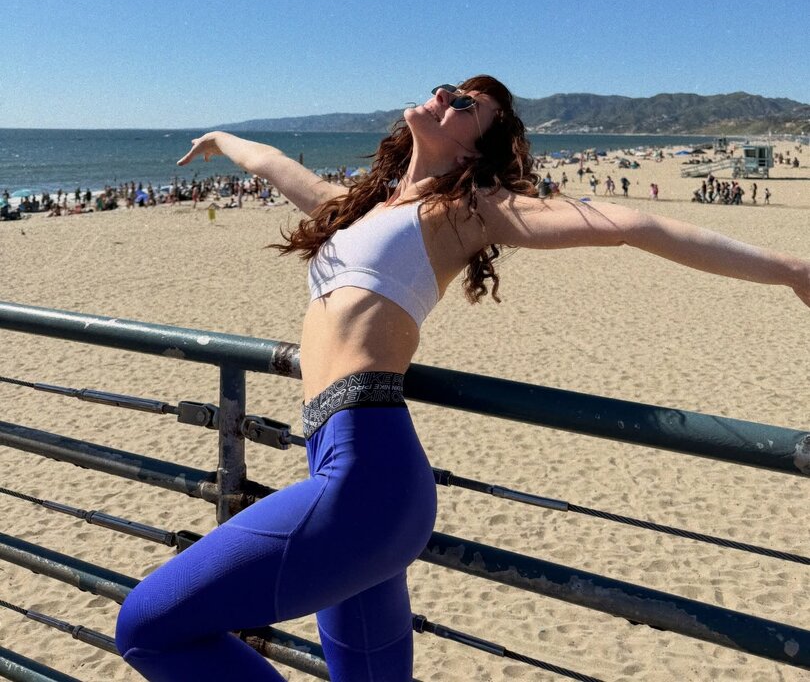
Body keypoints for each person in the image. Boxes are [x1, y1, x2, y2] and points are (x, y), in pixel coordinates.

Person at [114, 75, 810, 681]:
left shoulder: (469, 210)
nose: (446, 96)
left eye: (467, 104)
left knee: (148, 626)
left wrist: (791, 270)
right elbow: (270, 163)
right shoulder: (357, 208)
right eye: (447, 88)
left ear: (477, 148)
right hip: (341, 468)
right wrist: (221, 139)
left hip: (366, 476)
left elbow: (633, 224)